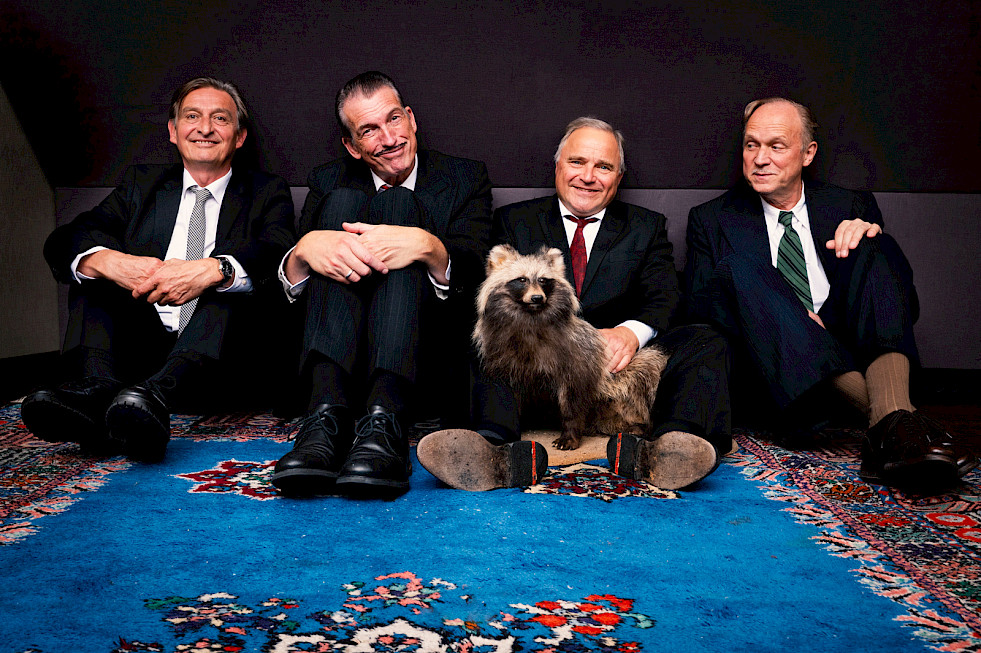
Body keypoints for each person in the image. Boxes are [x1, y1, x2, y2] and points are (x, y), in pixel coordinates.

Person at [417, 117, 732, 491]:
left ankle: (673, 448)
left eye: (603, 167)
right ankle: (492, 450)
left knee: (705, 340)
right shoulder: (514, 221)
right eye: (577, 162)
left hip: (613, 370)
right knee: (477, 331)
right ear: (558, 167)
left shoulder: (646, 226)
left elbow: (665, 296)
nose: (588, 176)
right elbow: (487, 294)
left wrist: (630, 334)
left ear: (618, 177)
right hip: (530, 370)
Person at [684, 97, 974, 488]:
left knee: (875, 243)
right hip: (779, 370)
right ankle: (903, 424)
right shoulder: (711, 219)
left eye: (776, 146)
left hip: (852, 349)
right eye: (751, 145)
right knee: (738, 268)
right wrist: (793, 320)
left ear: (808, 153)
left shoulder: (851, 203)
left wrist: (869, 234)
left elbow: (895, 303)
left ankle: (890, 425)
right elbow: (702, 310)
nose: (760, 159)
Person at [21, 77, 296, 462]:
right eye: (192, 117)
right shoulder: (141, 183)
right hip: (139, 357)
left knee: (229, 284)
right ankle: (97, 393)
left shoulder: (267, 191)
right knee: (94, 270)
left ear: (239, 137)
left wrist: (213, 270)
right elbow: (66, 238)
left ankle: (153, 399)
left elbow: (278, 247)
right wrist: (110, 262)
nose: (204, 128)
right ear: (173, 131)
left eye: (220, 118)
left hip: (218, 362)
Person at [271, 71, 493, 496]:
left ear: (411, 118)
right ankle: (326, 417)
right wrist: (302, 252)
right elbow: (288, 301)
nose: (389, 138)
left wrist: (428, 246)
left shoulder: (465, 177)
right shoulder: (327, 182)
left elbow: (480, 278)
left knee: (400, 204)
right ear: (352, 146)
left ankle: (385, 419)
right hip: (339, 360)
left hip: (424, 365)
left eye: (394, 119)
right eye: (369, 130)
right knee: (342, 207)